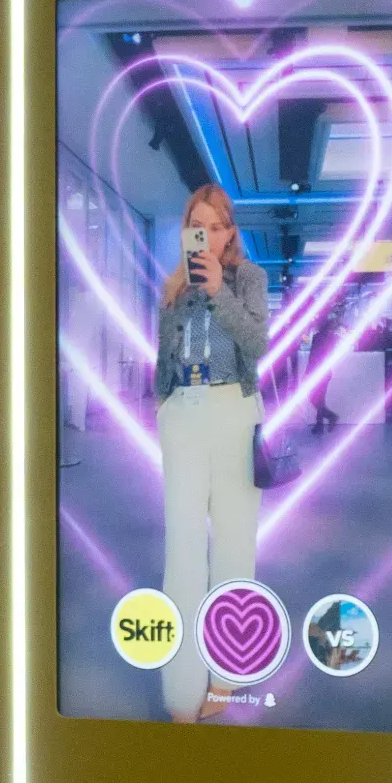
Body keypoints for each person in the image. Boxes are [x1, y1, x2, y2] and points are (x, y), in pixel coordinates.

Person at [153, 183, 268, 722]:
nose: (209, 235)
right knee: (181, 553)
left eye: (218, 225)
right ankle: (179, 693)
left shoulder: (249, 279)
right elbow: (163, 358)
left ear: (231, 232)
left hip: (233, 412)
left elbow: (258, 344)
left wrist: (219, 289)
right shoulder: (173, 287)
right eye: (199, 226)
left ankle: (224, 678)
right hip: (183, 416)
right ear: (187, 232)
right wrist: (162, 406)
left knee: (234, 550)